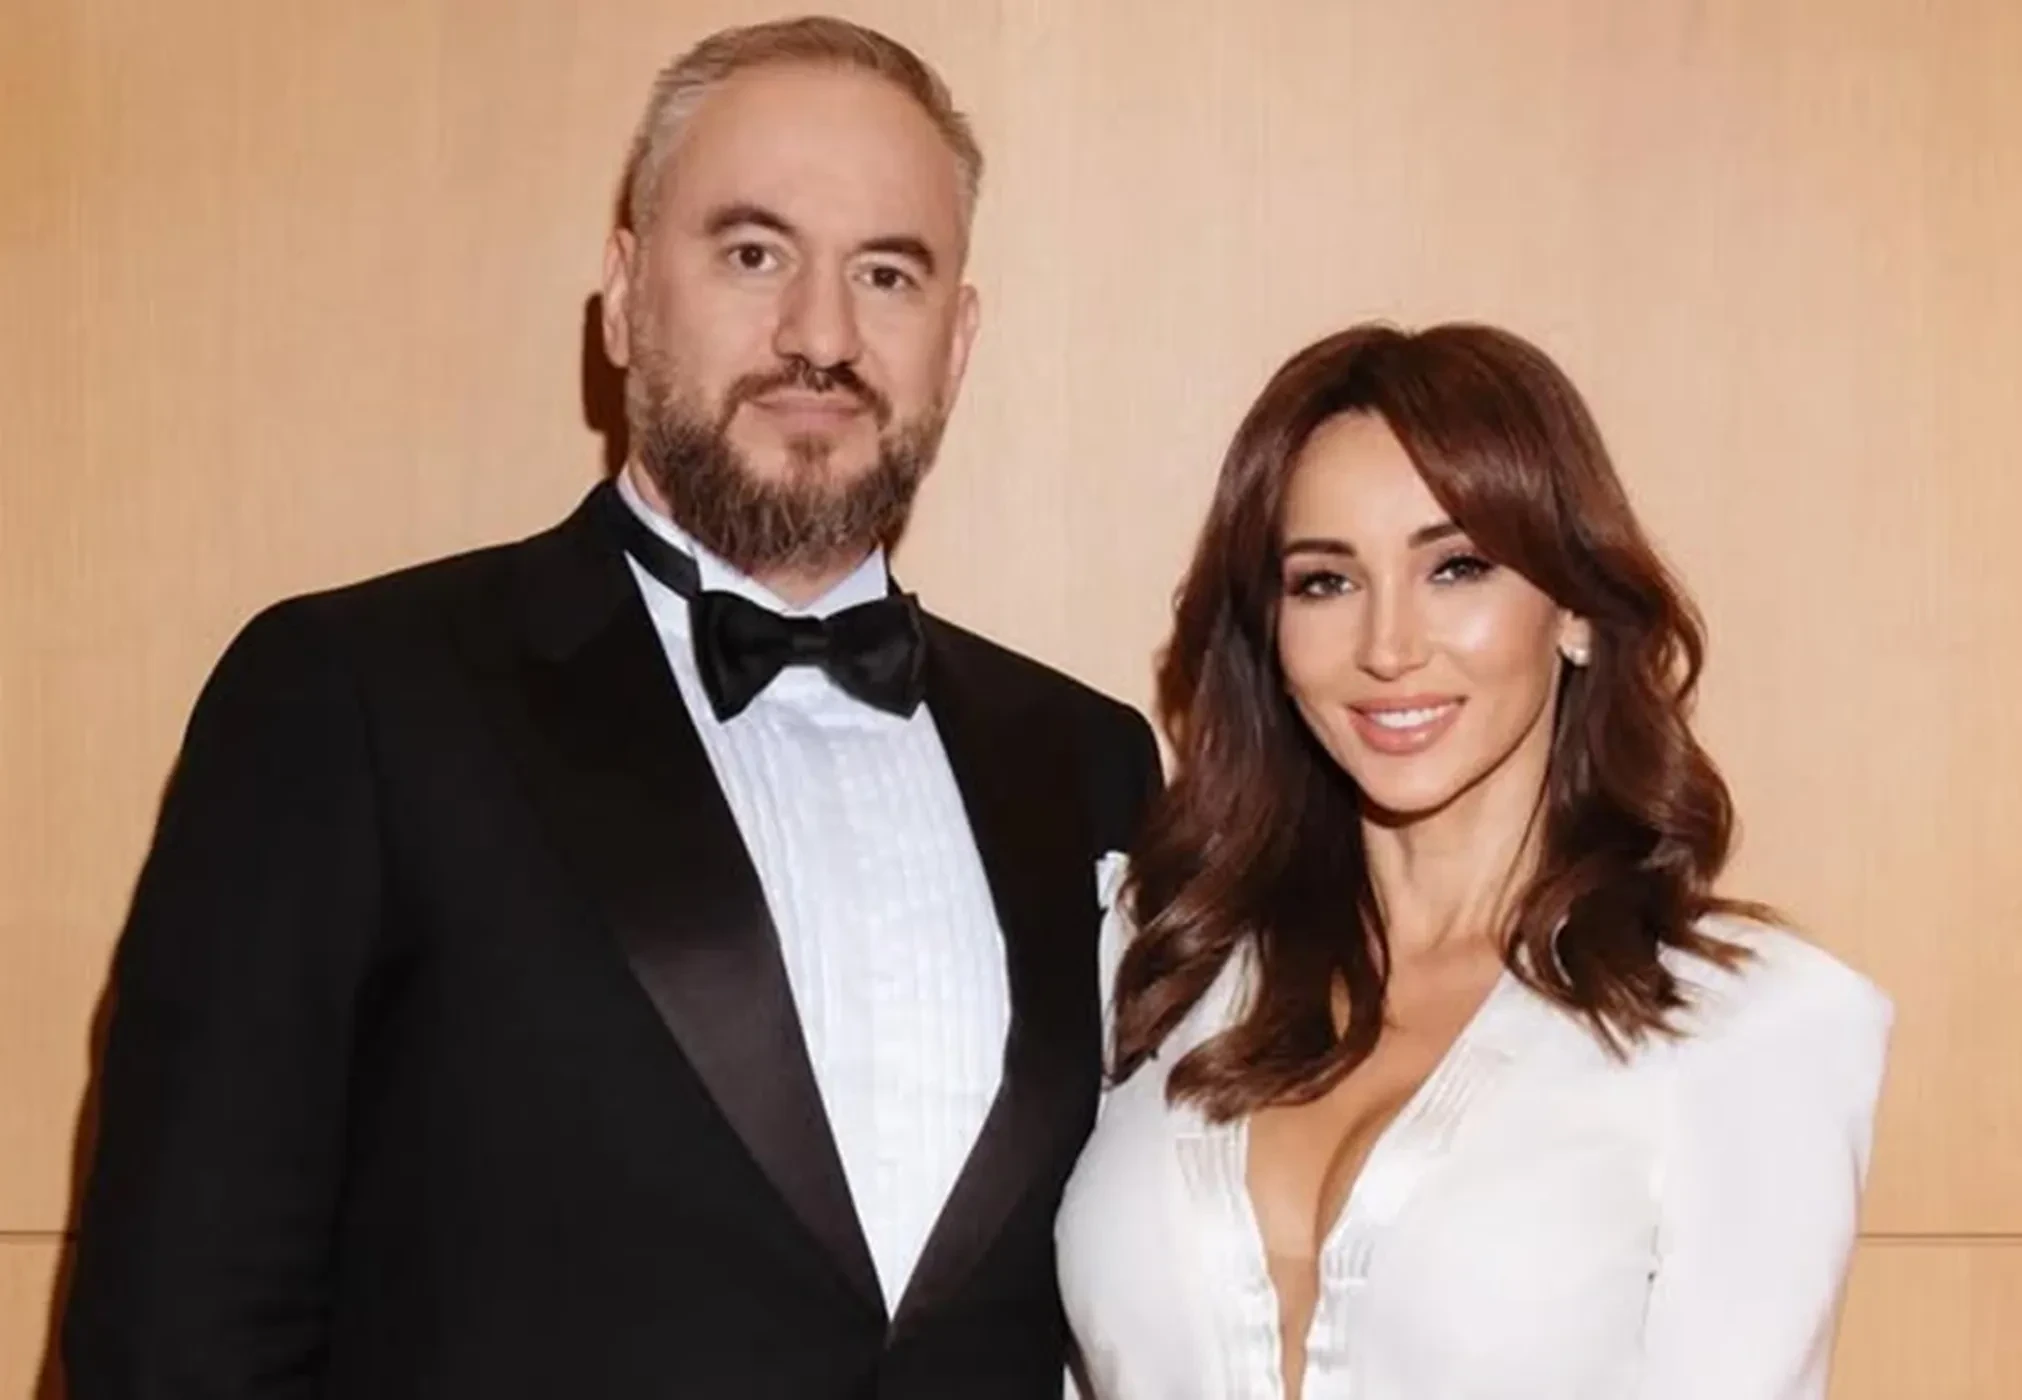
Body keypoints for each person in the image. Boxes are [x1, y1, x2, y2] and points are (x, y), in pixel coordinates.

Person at [63, 16, 1160, 1398]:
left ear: (958, 340)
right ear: (626, 293)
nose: (820, 336)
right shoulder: (351, 699)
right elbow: (175, 1334)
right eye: (753, 253)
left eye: (886, 273)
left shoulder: (1090, 763)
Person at [1057, 323, 1891, 1400]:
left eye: (1456, 567)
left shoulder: (1742, 1027)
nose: (1389, 647)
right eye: (1325, 581)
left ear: (1575, 609)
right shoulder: (1160, 957)